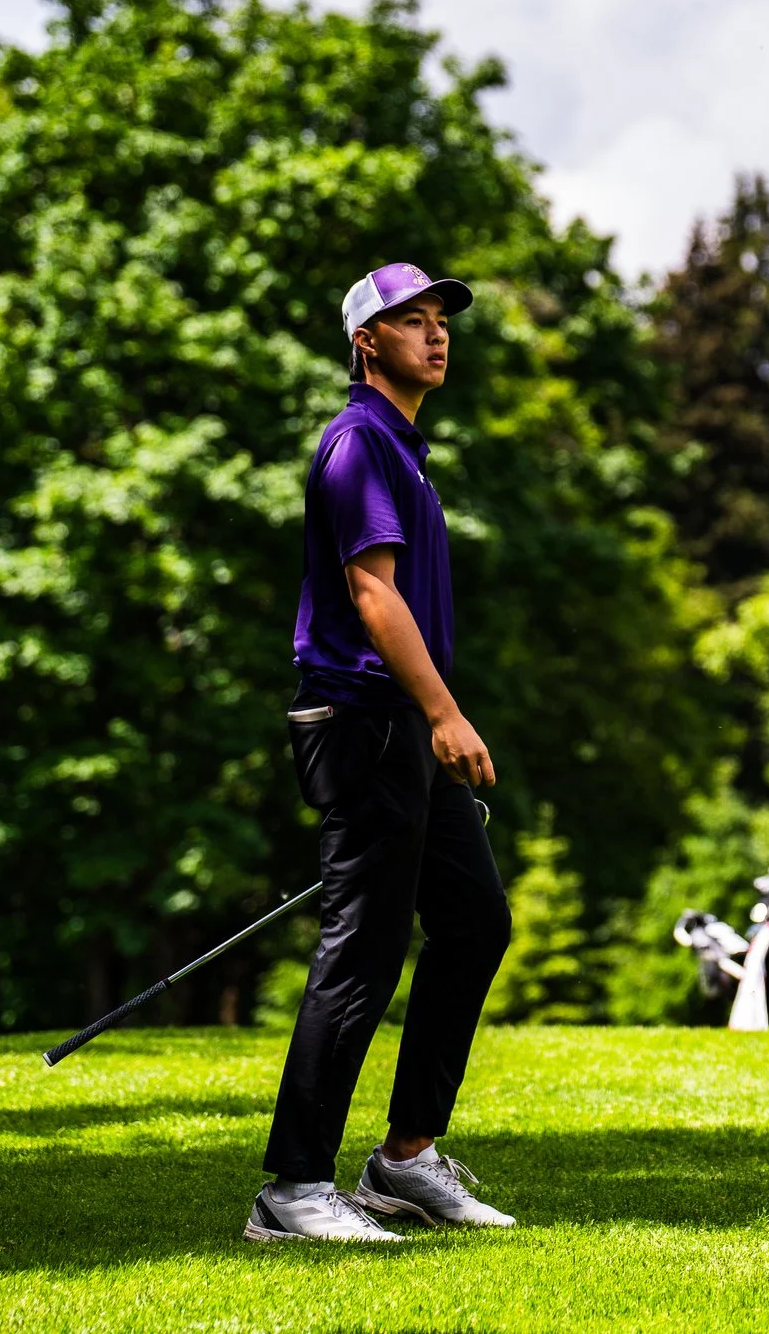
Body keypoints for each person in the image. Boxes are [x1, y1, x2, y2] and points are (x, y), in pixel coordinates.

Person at [244, 263, 517, 1243]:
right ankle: (293, 1187)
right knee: (360, 948)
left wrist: (432, 717)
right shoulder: (359, 442)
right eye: (412, 320)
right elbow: (372, 597)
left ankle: (404, 1162)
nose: (436, 335)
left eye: (442, 320)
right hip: (364, 722)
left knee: (474, 922)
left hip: (404, 721)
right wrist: (445, 714)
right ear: (367, 341)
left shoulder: (403, 446)